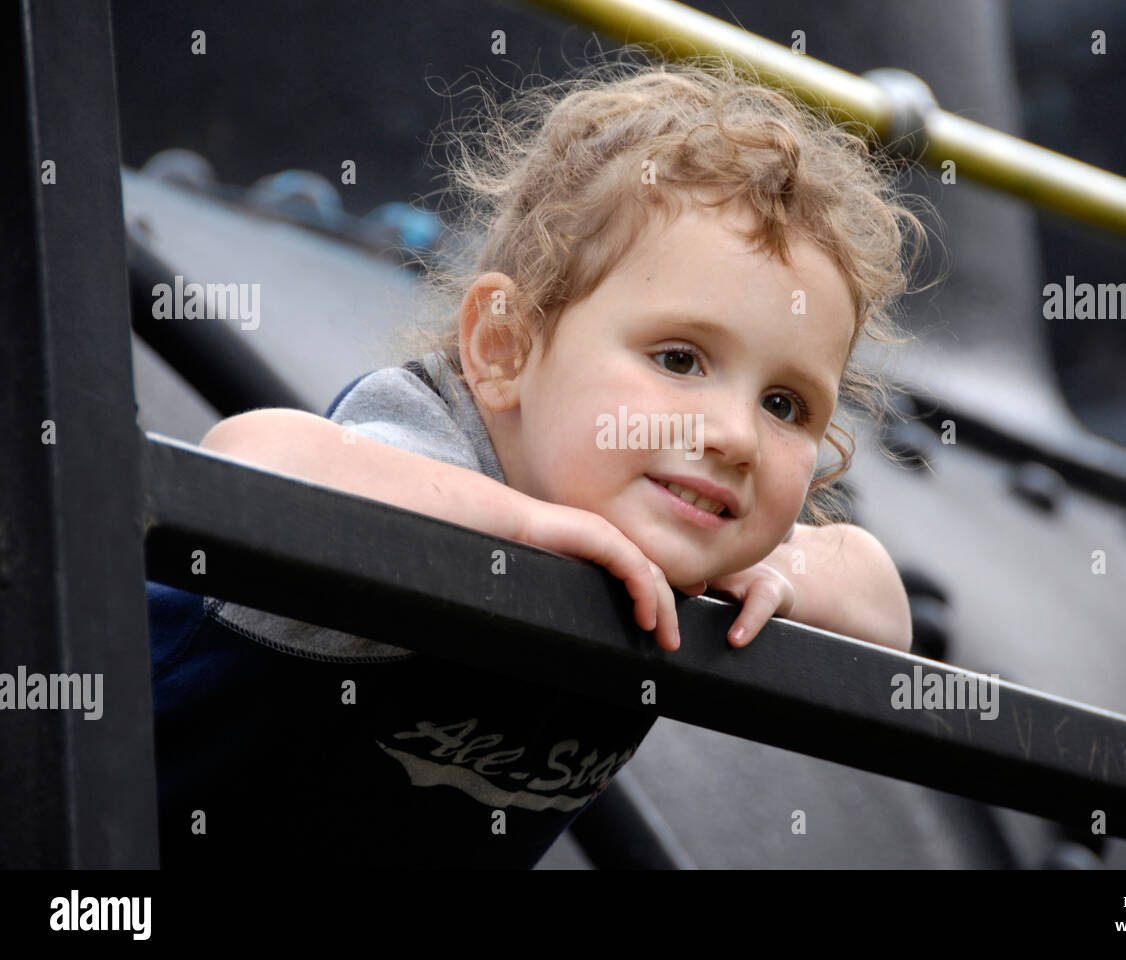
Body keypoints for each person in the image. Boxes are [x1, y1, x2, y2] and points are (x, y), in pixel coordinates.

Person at [147, 54, 923, 868]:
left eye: (784, 405)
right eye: (679, 359)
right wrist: (522, 529)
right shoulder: (433, 449)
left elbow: (881, 605)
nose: (734, 436)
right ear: (505, 346)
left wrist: (784, 574)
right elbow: (256, 453)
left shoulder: (682, 527)